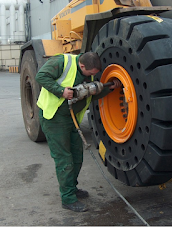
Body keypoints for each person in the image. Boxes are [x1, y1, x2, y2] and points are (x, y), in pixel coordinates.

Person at [36, 52, 121, 212]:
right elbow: (41, 76)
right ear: (82, 66)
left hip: (72, 119)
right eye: (91, 73)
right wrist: (61, 91)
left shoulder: (87, 71)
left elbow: (90, 93)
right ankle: (67, 198)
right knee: (64, 159)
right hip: (54, 117)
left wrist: (110, 88)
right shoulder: (62, 62)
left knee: (77, 156)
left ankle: (72, 188)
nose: (93, 76)